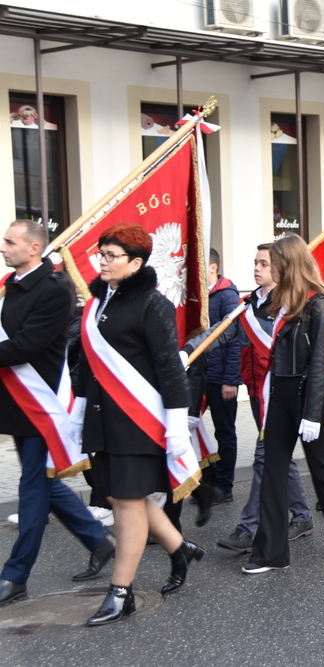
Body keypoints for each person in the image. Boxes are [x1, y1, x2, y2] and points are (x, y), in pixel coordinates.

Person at [75, 223, 200, 625]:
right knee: (119, 495)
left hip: (139, 422)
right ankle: (180, 549)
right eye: (101, 254)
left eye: (111, 256)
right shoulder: (98, 304)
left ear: (136, 262)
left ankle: (120, 592)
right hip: (103, 419)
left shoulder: (152, 304)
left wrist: (177, 426)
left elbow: (169, 369)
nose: (102, 262)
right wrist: (76, 412)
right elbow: (84, 363)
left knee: (128, 503)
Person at [243, 234, 324, 574]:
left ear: (290, 263)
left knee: (323, 469)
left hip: (309, 396)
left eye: (275, 263)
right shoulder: (280, 303)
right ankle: (269, 553)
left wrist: (313, 414)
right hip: (281, 396)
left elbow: (319, 362)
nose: (270, 269)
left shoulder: (319, 304)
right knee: (272, 469)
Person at [0, 220, 115, 606]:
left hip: (39, 404)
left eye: (10, 242)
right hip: (15, 402)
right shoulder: (11, 285)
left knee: (32, 489)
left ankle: (15, 577)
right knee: (43, 483)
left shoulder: (53, 290)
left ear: (34, 248)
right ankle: (99, 541)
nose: (3, 247)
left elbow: (25, 347)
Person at [182, 243, 315, 552]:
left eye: (264, 264)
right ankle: (303, 516)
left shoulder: (292, 304)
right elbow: (220, 332)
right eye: (256, 262)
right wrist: (188, 351)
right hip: (257, 391)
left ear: (280, 269)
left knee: (263, 457)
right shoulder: (249, 304)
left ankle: (247, 527)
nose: (257, 268)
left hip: (283, 393)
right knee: (279, 458)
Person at [199, 248, 241, 504]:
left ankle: (224, 486)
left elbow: (234, 341)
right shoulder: (198, 296)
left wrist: (230, 379)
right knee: (195, 431)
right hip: (199, 378)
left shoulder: (227, 295)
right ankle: (206, 480)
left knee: (224, 433)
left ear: (212, 267)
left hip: (220, 378)